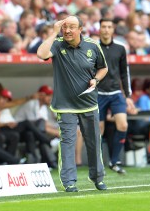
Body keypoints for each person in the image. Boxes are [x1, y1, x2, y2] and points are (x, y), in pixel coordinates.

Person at [37, 15, 108, 192]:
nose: (67, 30)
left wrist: (96, 80)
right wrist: (53, 33)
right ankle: (69, 182)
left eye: (72, 27)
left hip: (89, 103)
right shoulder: (57, 43)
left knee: (93, 143)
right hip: (65, 105)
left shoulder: (93, 45)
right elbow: (41, 54)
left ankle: (98, 178)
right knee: (67, 142)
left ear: (80, 29)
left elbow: (103, 68)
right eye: (65, 27)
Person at [98, 18, 136, 174]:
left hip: (115, 93)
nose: (106, 29)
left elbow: (124, 73)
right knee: (98, 131)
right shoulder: (93, 48)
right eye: (103, 27)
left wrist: (128, 95)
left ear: (113, 30)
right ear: (99, 29)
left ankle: (114, 161)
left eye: (109, 27)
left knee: (123, 125)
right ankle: (98, 164)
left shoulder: (120, 48)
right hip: (98, 93)